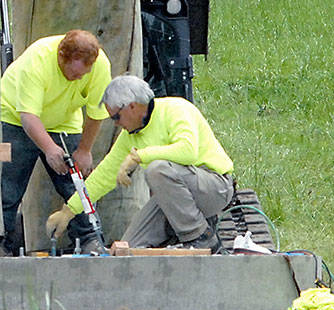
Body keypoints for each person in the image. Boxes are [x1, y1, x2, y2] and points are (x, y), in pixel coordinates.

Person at [45, 74, 234, 254]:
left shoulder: (176, 109)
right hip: (172, 198)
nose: (116, 124)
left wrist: (139, 157)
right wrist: (69, 211)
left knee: (157, 169)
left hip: (215, 187)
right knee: (128, 249)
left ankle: (200, 236)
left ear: (132, 107)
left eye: (116, 117)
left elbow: (188, 151)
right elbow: (103, 176)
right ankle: (181, 237)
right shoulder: (130, 135)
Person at [0, 29, 112, 256]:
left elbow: (97, 112)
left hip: (64, 121)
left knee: (75, 183)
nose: (78, 79)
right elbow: (28, 117)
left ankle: (90, 239)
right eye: (73, 74)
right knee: (9, 184)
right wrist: (49, 149)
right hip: (16, 118)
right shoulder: (37, 60)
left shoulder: (100, 65)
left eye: (82, 76)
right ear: (61, 57)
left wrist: (84, 150)